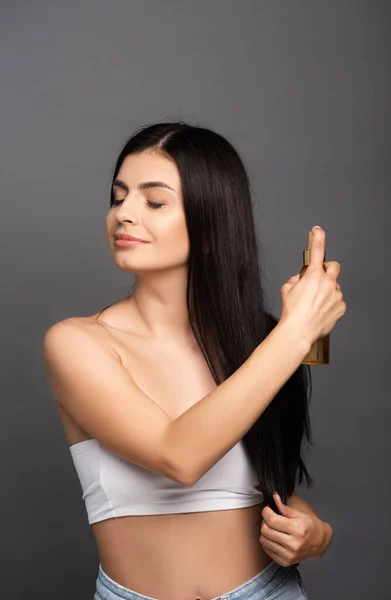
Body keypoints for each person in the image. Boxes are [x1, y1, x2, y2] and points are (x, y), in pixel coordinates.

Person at [42, 121, 345, 600]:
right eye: (118, 197)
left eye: (153, 201)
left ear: (210, 230)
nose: (125, 214)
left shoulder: (261, 341)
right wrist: (297, 333)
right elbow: (179, 456)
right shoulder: (77, 343)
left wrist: (314, 533)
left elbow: (262, 487)